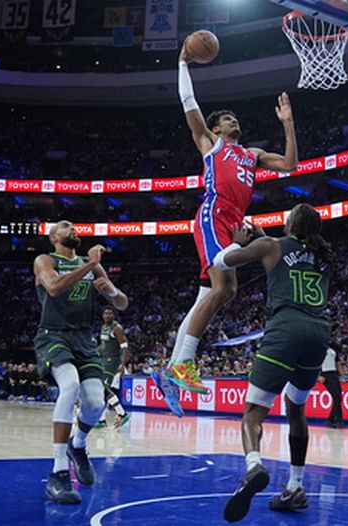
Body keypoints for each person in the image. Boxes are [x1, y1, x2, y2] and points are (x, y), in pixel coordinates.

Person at [154, 42, 299, 408]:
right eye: (228, 118)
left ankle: (171, 367)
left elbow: (291, 165)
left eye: (236, 118)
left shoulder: (253, 155)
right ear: (217, 127)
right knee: (224, 287)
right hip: (213, 214)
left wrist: (288, 125)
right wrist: (183, 63)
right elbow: (189, 104)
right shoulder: (210, 143)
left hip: (235, 220)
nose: (234, 120)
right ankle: (184, 363)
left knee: (217, 293)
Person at [211, 204, 332, 522]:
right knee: (296, 409)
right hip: (319, 332)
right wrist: (264, 240)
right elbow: (288, 257)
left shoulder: (272, 246)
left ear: (290, 222)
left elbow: (220, 261)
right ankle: (295, 487)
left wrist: (239, 242)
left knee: (253, 413)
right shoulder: (323, 254)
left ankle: (254, 467)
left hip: (286, 327)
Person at [33, 220, 128, 504]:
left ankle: (78, 445)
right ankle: (58, 473)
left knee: (96, 403)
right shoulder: (45, 260)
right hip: (54, 335)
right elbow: (53, 287)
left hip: (84, 340)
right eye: (65, 227)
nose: (73, 229)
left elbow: (122, 303)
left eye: (74, 227)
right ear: (53, 237)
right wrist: (89, 266)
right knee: (70, 385)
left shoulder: (91, 263)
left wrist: (109, 291)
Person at [94, 307, 131, 430]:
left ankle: (121, 413)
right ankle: (102, 420)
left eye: (110, 313)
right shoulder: (103, 327)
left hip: (112, 361)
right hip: (103, 360)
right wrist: (94, 352)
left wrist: (123, 364)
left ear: (114, 316)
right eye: (105, 313)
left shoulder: (117, 328)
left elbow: (125, 347)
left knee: (102, 387)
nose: (107, 315)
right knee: (101, 390)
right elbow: (103, 346)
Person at [318, 345, 344, 428]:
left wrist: (341, 376)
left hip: (334, 374)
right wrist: (317, 376)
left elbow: (337, 363)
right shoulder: (319, 348)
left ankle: (330, 420)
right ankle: (339, 421)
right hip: (325, 374)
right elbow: (313, 362)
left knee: (339, 397)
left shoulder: (333, 350)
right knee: (336, 396)